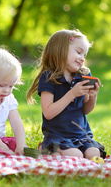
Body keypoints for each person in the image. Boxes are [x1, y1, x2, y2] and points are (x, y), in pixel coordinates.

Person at [26, 29, 106, 159]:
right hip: (58, 136)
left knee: (94, 154)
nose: (82, 58)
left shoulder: (83, 75)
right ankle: (48, 148)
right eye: (79, 52)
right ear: (60, 49)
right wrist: (72, 94)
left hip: (81, 135)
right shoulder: (49, 77)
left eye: (84, 55)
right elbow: (48, 113)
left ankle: (54, 152)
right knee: (76, 155)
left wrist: (93, 96)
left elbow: (85, 110)